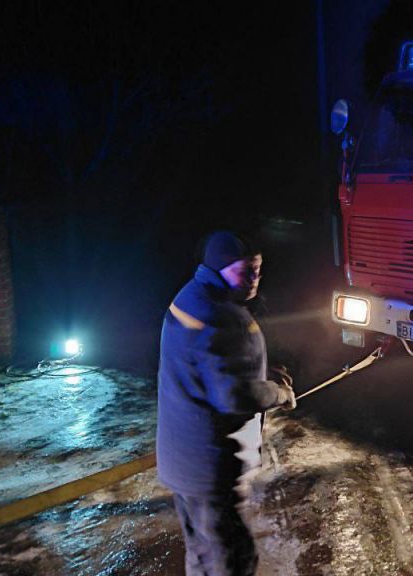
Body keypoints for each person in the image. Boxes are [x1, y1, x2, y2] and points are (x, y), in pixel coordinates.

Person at [156, 231, 296, 576]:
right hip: (211, 468)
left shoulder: (191, 296)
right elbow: (232, 396)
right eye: (244, 271)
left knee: (203, 557)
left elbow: (208, 366)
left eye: (258, 270)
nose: (254, 280)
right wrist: (278, 392)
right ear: (220, 268)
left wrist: (260, 371)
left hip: (183, 461)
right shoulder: (221, 316)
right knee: (233, 562)